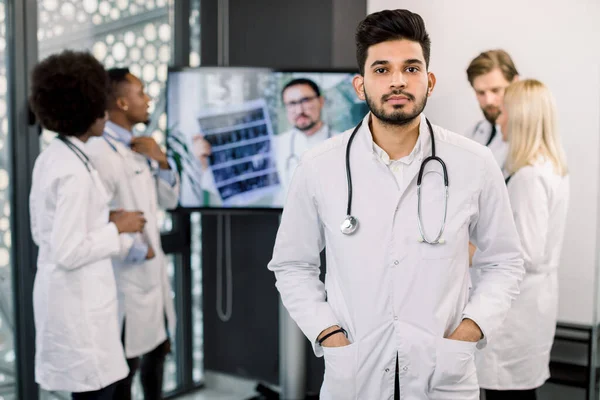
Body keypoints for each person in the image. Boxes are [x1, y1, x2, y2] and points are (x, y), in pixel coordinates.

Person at [267, 9, 525, 400]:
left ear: (429, 81)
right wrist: (328, 334)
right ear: (360, 85)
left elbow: (504, 261)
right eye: (382, 70)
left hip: (443, 373)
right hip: (355, 372)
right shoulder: (319, 166)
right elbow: (292, 265)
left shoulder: (474, 163)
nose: (398, 81)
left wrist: (470, 329)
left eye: (411, 68)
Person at [29, 50, 147, 399]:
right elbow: (68, 250)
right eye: (101, 108)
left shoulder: (56, 156)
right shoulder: (72, 170)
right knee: (97, 391)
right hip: (79, 307)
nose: (105, 115)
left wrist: (102, 220)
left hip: (75, 300)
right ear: (86, 109)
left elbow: (48, 231)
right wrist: (119, 227)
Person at [85, 68, 179, 400]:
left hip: (152, 283)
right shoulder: (98, 154)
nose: (148, 99)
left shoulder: (141, 147)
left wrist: (161, 160)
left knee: (156, 362)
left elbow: (170, 200)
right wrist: (138, 248)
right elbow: (93, 223)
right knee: (122, 377)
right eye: (141, 93)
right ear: (122, 103)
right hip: (123, 283)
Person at [474, 80, 570, 400]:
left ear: (520, 117)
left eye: (503, 112)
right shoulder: (550, 166)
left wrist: (471, 248)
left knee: (509, 393)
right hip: (532, 303)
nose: (498, 119)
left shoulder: (529, 176)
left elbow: (526, 252)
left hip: (516, 312)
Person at [273, 78, 335, 204]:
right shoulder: (275, 145)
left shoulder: (345, 143)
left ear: (321, 101)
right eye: (291, 103)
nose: (299, 110)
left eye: (305, 100)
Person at [465, 50, 520, 170]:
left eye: (496, 90)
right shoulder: (474, 133)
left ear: (515, 83)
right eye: (480, 92)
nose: (488, 101)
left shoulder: (529, 141)